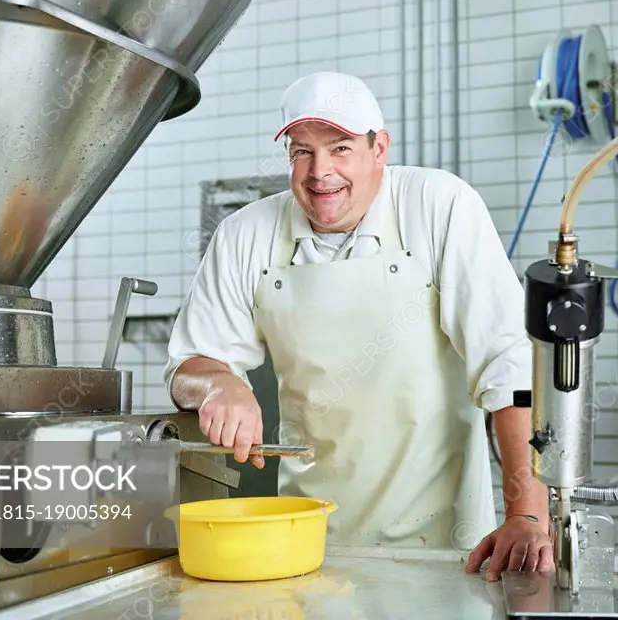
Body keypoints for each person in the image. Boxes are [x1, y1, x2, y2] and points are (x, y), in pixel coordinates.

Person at [165, 71, 552, 581]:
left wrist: (526, 514)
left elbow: (509, 364)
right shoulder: (245, 235)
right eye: (302, 151)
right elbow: (187, 366)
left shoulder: (438, 205)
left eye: (341, 148)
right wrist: (219, 385)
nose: (319, 171)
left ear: (379, 148)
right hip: (309, 543)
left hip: (448, 547)